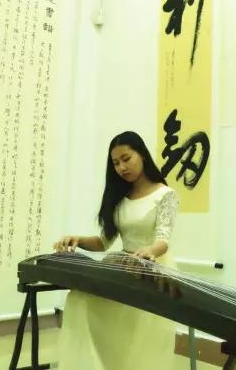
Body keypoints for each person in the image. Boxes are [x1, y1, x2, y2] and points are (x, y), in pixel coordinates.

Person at [54, 131, 180, 370]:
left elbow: (163, 240)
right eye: (116, 163)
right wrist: (77, 240)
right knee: (78, 299)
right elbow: (103, 242)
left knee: (140, 343)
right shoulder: (120, 197)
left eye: (126, 158)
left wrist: (149, 251)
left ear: (142, 155)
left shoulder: (165, 194)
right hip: (125, 268)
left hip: (153, 271)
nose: (121, 167)